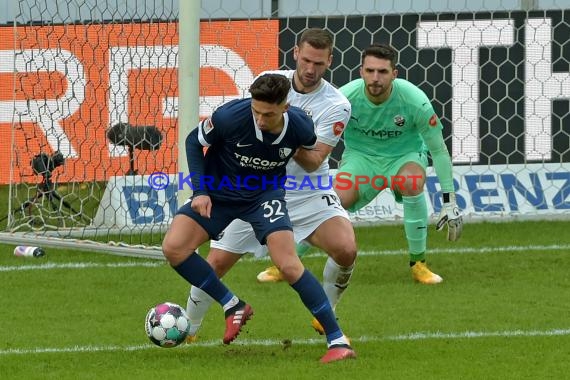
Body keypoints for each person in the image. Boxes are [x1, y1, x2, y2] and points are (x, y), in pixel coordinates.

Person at [161, 73, 355, 363]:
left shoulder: (301, 126)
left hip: (264, 196)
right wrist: (200, 190)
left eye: (268, 114)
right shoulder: (230, 116)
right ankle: (232, 304)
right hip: (220, 193)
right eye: (256, 111)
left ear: (285, 107)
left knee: (289, 265)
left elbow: (311, 154)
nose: (261, 120)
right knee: (174, 248)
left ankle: (337, 341)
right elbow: (193, 141)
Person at [335, 43, 463, 284]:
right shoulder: (344, 98)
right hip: (361, 158)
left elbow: (439, 150)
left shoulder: (415, 100)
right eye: (370, 71)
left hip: (404, 157)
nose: (375, 78)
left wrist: (450, 200)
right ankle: (287, 263)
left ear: (394, 74)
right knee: (334, 200)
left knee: (411, 182)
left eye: (382, 72)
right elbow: (320, 139)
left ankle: (418, 263)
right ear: (361, 71)